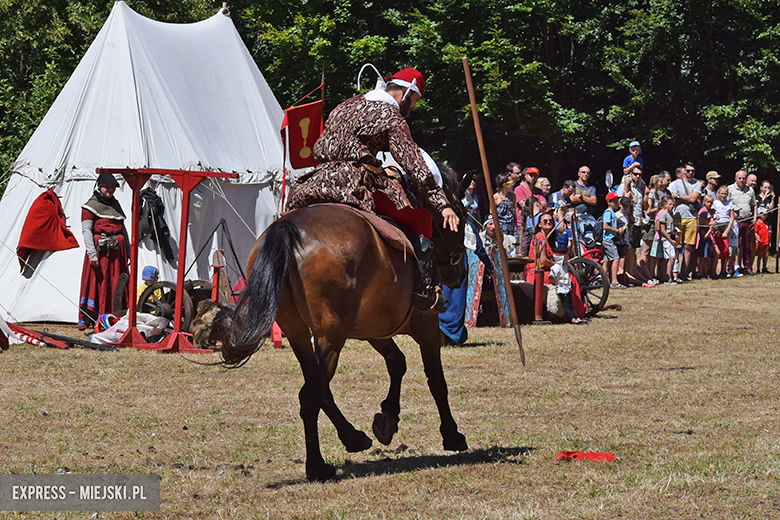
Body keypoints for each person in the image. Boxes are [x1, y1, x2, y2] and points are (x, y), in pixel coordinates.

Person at [286, 67, 459, 312]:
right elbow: (413, 164)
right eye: (416, 100)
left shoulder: (344, 106)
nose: (414, 107)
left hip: (316, 180)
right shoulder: (391, 116)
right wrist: (442, 204)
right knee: (420, 219)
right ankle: (422, 289)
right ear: (406, 92)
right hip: (354, 183)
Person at [78, 173, 129, 330]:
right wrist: (92, 254)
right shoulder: (90, 206)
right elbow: (86, 230)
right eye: (107, 186)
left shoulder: (116, 205)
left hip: (116, 256)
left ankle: (114, 316)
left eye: (113, 186)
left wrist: (128, 250)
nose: (110, 189)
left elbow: (123, 230)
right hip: (100, 254)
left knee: (115, 284)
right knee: (98, 284)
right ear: (99, 187)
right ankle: (94, 317)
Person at [439, 217, 495, 346]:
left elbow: (478, 248)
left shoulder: (465, 225)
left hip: (454, 264)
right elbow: (479, 248)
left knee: (454, 299)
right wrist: (490, 267)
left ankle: (449, 334)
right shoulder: (463, 224)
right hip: (449, 264)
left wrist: (489, 266)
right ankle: (444, 333)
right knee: (450, 299)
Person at [669, 164, 702, 281]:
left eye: (692, 171)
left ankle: (684, 272)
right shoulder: (677, 183)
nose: (690, 173)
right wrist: (687, 196)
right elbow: (673, 198)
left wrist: (679, 196)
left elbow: (694, 199)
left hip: (692, 217)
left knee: (688, 246)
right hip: (678, 216)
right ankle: (674, 272)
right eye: (688, 171)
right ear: (684, 171)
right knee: (677, 245)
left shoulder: (698, 184)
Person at [549, 236, 586, 325]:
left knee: (571, 304)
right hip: (561, 289)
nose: (568, 257)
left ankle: (577, 317)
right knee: (566, 306)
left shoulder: (564, 266)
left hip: (567, 288)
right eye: (566, 256)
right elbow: (551, 276)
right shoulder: (556, 267)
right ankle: (572, 319)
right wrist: (554, 283)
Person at [727, 169, 757, 276]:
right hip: (735, 221)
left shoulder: (750, 190)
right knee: (733, 245)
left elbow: (754, 205)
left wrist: (754, 217)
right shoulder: (730, 189)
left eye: (744, 178)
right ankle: (731, 267)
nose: (742, 180)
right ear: (736, 178)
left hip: (747, 220)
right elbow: (726, 204)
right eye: (740, 178)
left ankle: (747, 267)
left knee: (747, 245)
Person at [652, 195, 678, 284]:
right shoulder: (663, 214)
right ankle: (668, 277)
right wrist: (670, 240)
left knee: (672, 258)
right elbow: (662, 229)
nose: (672, 206)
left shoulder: (670, 215)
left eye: (673, 205)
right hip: (666, 239)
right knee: (671, 257)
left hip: (671, 238)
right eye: (670, 204)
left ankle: (669, 276)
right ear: (665, 204)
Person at [493, 173, 519, 256]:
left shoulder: (512, 196)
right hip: (500, 227)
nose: (513, 184)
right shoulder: (496, 197)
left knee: (511, 250)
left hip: (511, 226)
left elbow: (513, 212)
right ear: (505, 185)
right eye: (511, 182)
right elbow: (492, 213)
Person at [602, 192, 625, 288]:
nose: (616, 203)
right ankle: (614, 281)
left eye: (617, 201)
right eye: (614, 201)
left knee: (607, 261)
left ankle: (604, 280)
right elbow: (605, 226)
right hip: (609, 239)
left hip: (611, 239)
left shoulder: (613, 213)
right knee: (616, 258)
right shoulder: (608, 212)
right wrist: (617, 230)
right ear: (609, 202)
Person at [712, 185, 735, 278]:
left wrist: (727, 230)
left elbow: (732, 218)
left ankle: (723, 270)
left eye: (725, 194)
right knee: (717, 249)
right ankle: (713, 271)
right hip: (717, 225)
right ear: (718, 194)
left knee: (725, 248)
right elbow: (712, 215)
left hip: (726, 226)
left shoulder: (730, 204)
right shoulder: (715, 203)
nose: (723, 196)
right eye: (722, 194)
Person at [571, 165, 597, 235]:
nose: (586, 174)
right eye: (583, 172)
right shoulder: (573, 185)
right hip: (575, 215)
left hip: (588, 216)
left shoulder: (591, 188)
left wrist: (581, 197)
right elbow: (572, 199)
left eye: (588, 173)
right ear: (579, 173)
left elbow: (594, 201)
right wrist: (588, 199)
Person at [696, 195, 717, 279]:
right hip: (703, 242)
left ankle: (707, 273)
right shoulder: (703, 227)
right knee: (702, 258)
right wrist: (710, 229)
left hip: (709, 241)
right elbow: (704, 236)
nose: (708, 220)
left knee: (707, 258)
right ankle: (702, 274)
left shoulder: (710, 212)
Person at [755, 207, 771, 274]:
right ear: (759, 215)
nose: (765, 216)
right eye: (763, 214)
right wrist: (759, 241)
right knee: (760, 256)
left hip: (766, 242)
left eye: (766, 214)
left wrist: (769, 242)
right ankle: (758, 269)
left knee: (766, 255)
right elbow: (755, 232)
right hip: (760, 242)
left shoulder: (766, 223)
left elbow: (769, 233)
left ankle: (764, 268)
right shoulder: (758, 223)